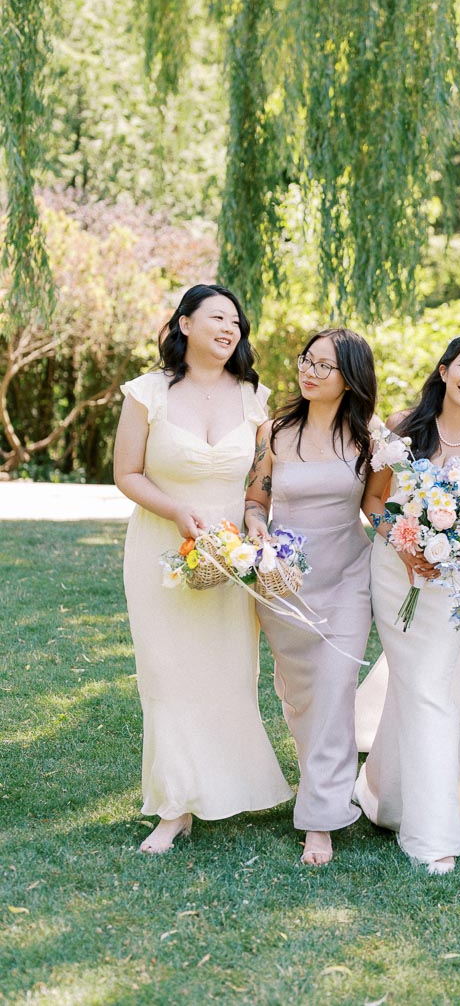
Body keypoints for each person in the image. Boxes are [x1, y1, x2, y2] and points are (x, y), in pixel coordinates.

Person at [114, 284, 293, 854]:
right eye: (216, 317)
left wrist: (255, 521)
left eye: (236, 320)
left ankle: (221, 787)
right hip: (162, 546)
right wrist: (176, 510)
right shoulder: (148, 394)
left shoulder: (253, 396)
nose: (229, 327)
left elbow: (259, 478)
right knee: (167, 675)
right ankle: (174, 807)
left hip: (230, 555)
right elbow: (127, 473)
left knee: (228, 673)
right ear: (184, 324)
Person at [354, 335, 460, 875]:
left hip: (453, 582)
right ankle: (421, 820)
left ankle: (411, 811)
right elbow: (373, 501)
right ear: (444, 370)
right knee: (416, 684)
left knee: (430, 688)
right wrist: (406, 547)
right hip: (396, 572)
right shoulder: (405, 427)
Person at [244, 328, 382, 867]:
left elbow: (377, 506)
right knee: (303, 699)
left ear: (350, 378)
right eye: (308, 360)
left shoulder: (371, 438)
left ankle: (320, 819)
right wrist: (260, 534)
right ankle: (321, 783)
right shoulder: (274, 432)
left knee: (333, 689)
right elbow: (256, 501)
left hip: (348, 576)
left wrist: (423, 540)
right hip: (285, 582)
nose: (310, 371)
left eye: (326, 366)